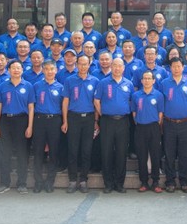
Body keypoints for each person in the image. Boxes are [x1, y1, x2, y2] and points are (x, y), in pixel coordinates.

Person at [0, 60, 35, 194]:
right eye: (13, 68)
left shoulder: (28, 86)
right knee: (4, 153)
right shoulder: (2, 86)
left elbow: (31, 107)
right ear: (9, 70)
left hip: (22, 121)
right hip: (5, 121)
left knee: (22, 153)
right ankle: (4, 183)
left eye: (18, 68)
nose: (16, 70)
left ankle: (22, 183)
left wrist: (30, 126)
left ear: (22, 70)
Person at [94, 58, 133, 193]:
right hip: (107, 121)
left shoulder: (129, 84)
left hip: (123, 121)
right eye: (114, 65)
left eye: (119, 66)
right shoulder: (103, 83)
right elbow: (97, 100)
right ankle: (108, 183)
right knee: (106, 152)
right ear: (111, 67)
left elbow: (131, 101)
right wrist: (103, 113)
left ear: (123, 68)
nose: (117, 68)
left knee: (121, 152)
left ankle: (119, 183)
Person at [62, 55, 100, 194]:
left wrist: (96, 121)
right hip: (73, 118)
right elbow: (65, 101)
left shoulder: (95, 81)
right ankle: (72, 180)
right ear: (76, 64)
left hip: (89, 118)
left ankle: (83, 180)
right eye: (81, 64)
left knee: (86, 150)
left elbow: (96, 103)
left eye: (85, 64)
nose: (83, 66)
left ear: (89, 65)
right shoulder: (69, 80)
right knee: (73, 150)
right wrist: (65, 121)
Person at [159, 58, 187, 193]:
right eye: (174, 66)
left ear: (183, 67)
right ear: (170, 68)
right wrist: (161, 122)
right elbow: (161, 103)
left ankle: (184, 181)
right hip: (169, 122)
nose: (176, 69)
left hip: (185, 122)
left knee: (184, 153)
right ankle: (170, 181)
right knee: (169, 153)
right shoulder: (164, 83)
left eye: (179, 66)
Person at [31, 60, 64, 193]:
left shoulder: (60, 87)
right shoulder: (36, 86)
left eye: (52, 69)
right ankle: (38, 182)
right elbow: (32, 105)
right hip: (39, 120)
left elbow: (63, 106)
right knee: (38, 151)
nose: (49, 71)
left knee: (54, 152)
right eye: (46, 69)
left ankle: (50, 181)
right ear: (43, 70)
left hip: (55, 121)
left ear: (56, 70)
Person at [131, 71, 165, 193]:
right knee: (142, 156)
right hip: (140, 127)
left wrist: (156, 123)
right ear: (141, 81)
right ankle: (144, 182)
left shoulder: (158, 95)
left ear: (153, 81)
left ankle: (155, 182)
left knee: (155, 155)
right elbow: (134, 112)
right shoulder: (136, 95)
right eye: (144, 78)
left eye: (149, 78)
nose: (146, 80)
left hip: (154, 127)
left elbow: (160, 113)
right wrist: (139, 121)